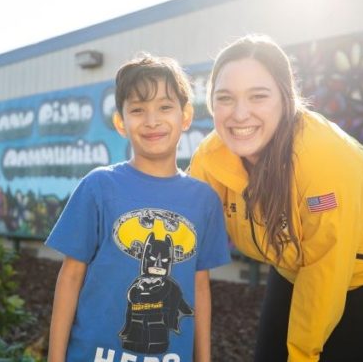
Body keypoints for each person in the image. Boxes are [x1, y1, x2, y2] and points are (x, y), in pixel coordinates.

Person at [189, 34, 363, 362]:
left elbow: (326, 267)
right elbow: (182, 233)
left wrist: (303, 354)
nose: (240, 114)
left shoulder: (323, 156)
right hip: (297, 264)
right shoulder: (211, 157)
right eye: (225, 98)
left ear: (285, 98)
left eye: (258, 96)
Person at [46, 54, 231, 362]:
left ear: (185, 116)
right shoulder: (98, 186)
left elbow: (200, 288)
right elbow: (70, 277)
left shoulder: (204, 200)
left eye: (165, 107)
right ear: (121, 122)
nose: (152, 120)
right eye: (137, 110)